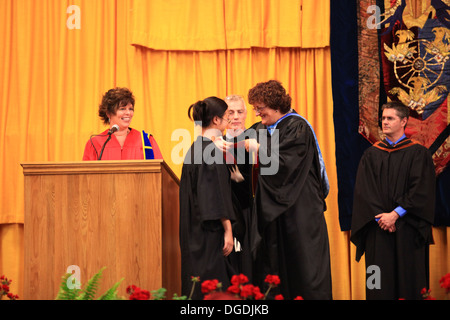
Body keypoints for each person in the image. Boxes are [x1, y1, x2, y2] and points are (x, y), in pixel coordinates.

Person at [247, 80, 332, 300]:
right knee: (276, 269)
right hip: (277, 212)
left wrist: (258, 147)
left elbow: (285, 163)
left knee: (305, 266)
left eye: (260, 108)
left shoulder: (297, 126)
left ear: (275, 105)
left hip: (301, 210)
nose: (256, 113)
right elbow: (238, 142)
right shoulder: (261, 128)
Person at [351, 101, 436, 300]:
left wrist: (396, 214)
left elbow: (421, 190)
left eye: (390, 118)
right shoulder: (371, 154)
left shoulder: (418, 153)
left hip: (408, 228)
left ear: (404, 121)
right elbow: (364, 192)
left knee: (410, 283)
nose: (385, 122)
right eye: (383, 118)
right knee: (377, 282)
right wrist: (383, 218)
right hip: (377, 229)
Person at [179, 96, 241, 300]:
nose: (229, 122)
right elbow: (212, 198)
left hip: (193, 232)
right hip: (209, 235)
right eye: (226, 117)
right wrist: (228, 230)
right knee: (213, 290)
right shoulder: (210, 152)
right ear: (215, 120)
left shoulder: (194, 149)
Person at [223, 95, 256, 282]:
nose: (235, 116)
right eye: (230, 112)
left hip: (251, 213)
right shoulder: (216, 143)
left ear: (246, 115)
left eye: (240, 112)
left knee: (250, 266)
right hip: (226, 213)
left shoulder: (257, 140)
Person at [82, 87, 163, 160]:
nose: (128, 113)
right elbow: (86, 175)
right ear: (108, 113)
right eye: (122, 109)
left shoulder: (146, 141)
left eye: (130, 109)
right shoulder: (95, 143)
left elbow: (160, 173)